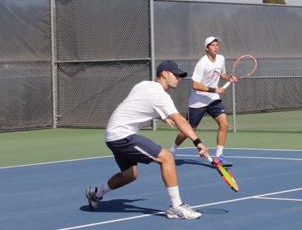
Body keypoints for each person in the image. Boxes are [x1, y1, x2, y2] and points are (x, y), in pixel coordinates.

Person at [85, 60, 209, 220]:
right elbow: (180, 120)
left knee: (130, 175)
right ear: (164, 74)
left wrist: (162, 116)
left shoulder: (143, 85)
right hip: (122, 134)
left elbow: (138, 104)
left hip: (112, 135)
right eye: (176, 75)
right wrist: (198, 142)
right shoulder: (160, 95)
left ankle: (96, 193)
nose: (179, 78)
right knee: (167, 157)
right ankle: (176, 207)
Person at [170, 36, 237, 167]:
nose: (216, 47)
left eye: (217, 45)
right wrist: (214, 89)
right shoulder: (202, 63)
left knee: (224, 123)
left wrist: (229, 77)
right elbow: (195, 85)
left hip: (213, 100)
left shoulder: (221, 59)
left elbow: (221, 74)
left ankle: (219, 157)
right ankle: (172, 150)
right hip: (198, 102)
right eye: (212, 45)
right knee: (188, 130)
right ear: (206, 48)